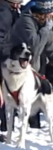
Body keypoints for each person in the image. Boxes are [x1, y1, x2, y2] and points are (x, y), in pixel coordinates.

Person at [1, 0, 53, 129]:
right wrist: (47, 30)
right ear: (44, 13)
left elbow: (51, 48)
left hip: (28, 70)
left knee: (29, 100)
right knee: (10, 100)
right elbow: (34, 46)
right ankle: (6, 130)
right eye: (51, 12)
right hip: (12, 67)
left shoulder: (44, 25)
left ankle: (33, 129)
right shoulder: (26, 22)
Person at [0, 0, 22, 132]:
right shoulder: (4, 13)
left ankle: (6, 125)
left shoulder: (9, 11)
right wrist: (11, 54)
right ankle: (5, 126)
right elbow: (1, 37)